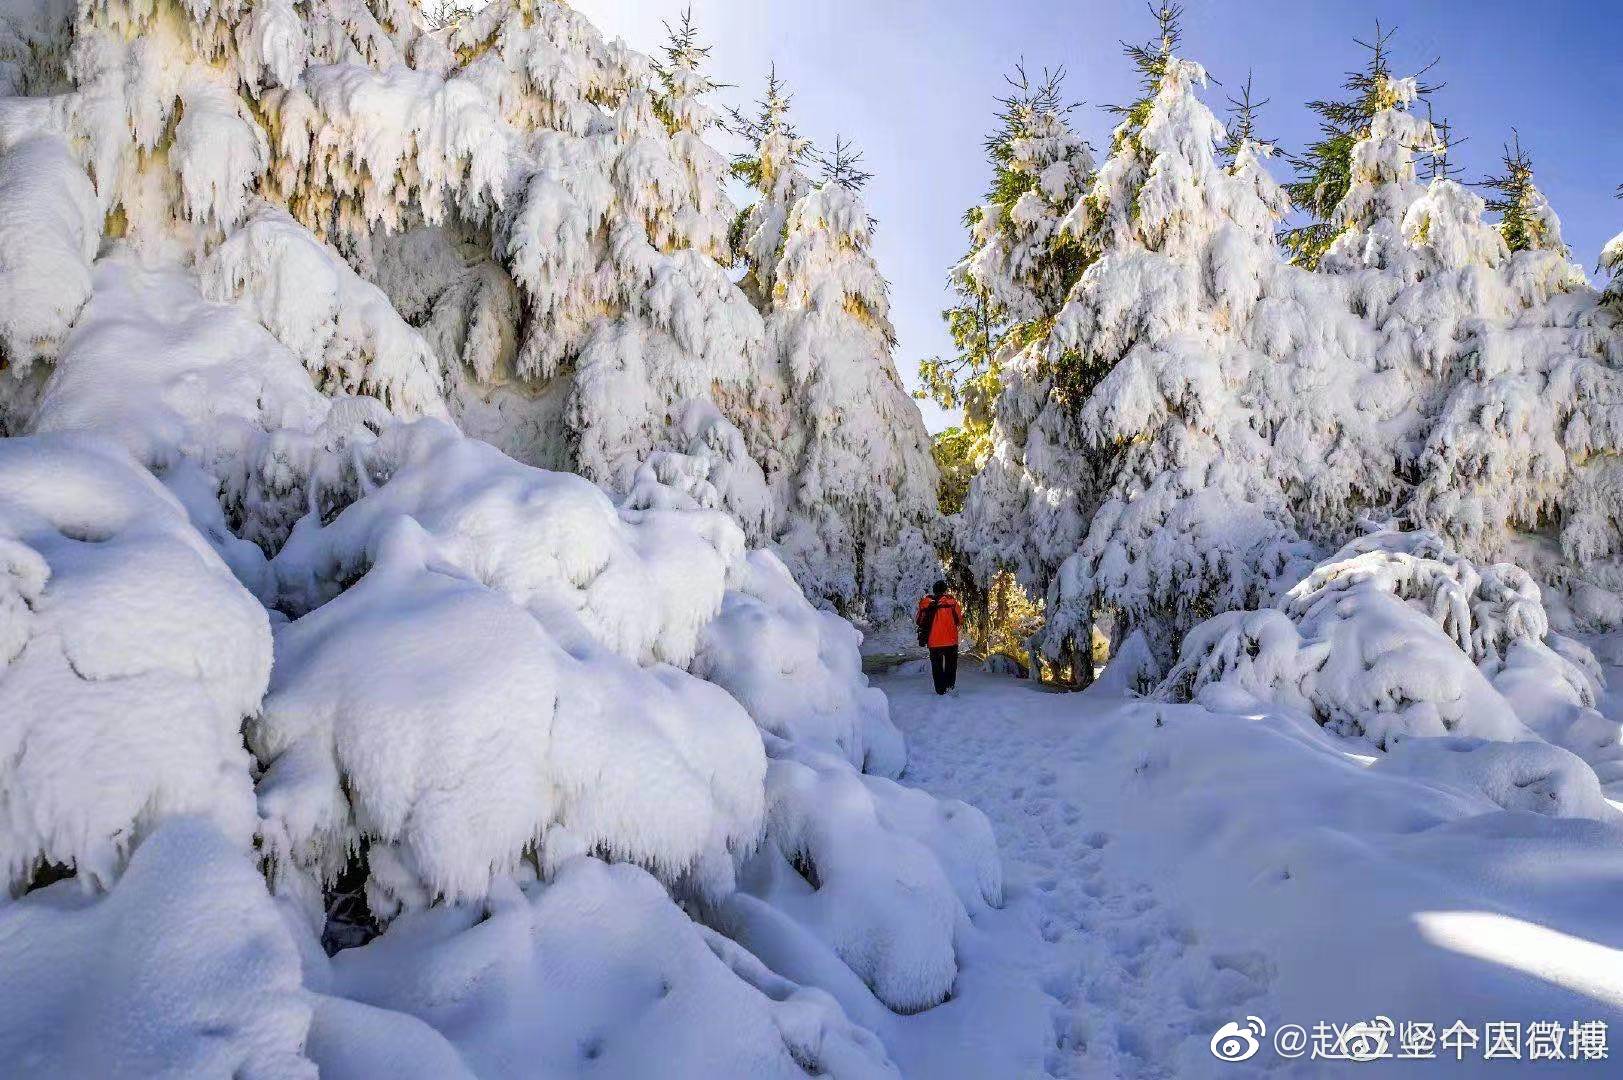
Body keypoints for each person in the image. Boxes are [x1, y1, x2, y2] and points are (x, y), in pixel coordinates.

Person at [916, 579, 962, 696]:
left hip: (934, 641)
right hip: (951, 640)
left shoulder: (926, 604)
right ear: (945, 590)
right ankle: (950, 687)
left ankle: (940, 690)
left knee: (936, 667)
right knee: (951, 665)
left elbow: (919, 620)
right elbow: (959, 620)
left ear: (934, 590)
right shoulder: (952, 603)